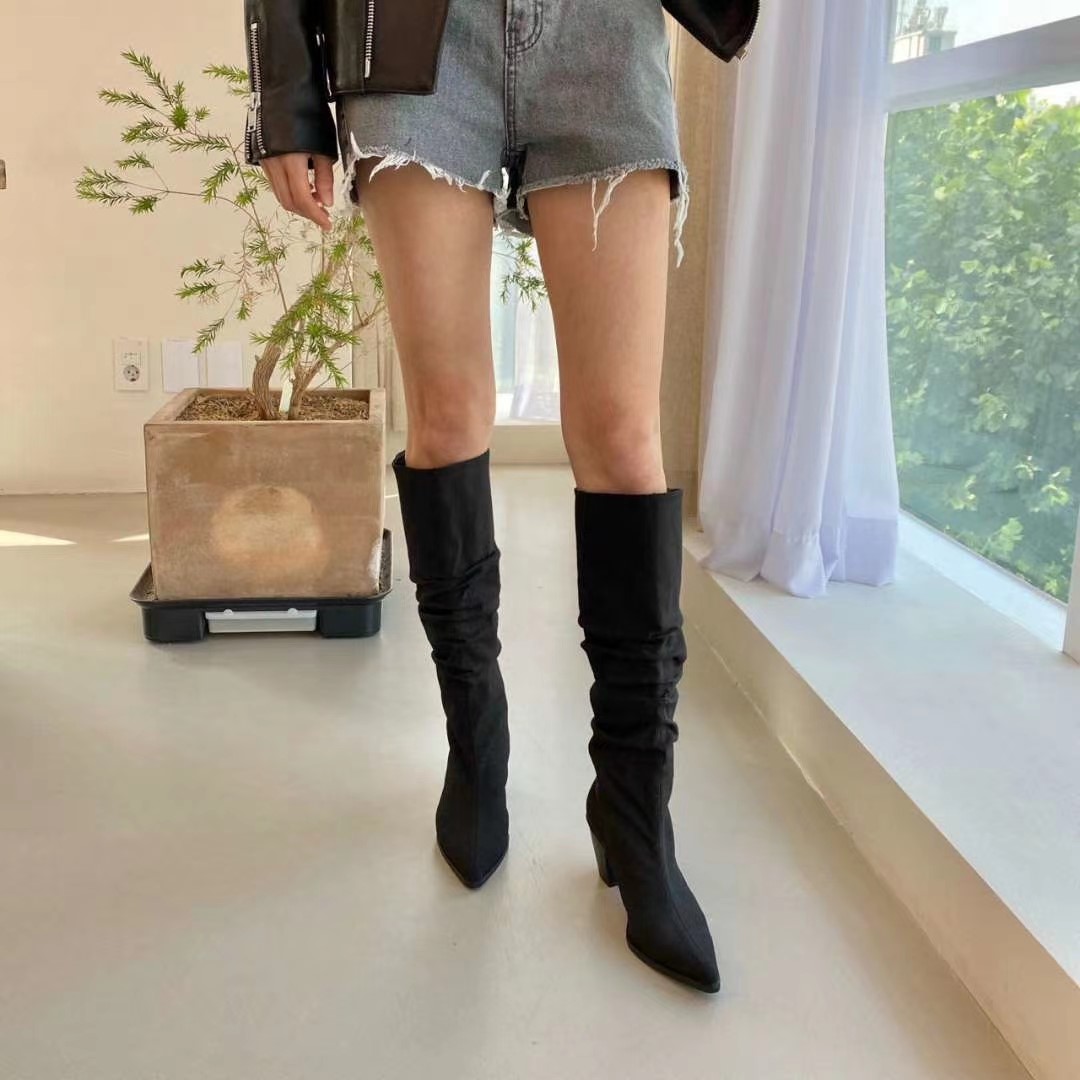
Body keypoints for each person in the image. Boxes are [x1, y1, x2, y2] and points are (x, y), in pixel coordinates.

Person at [247, 0, 719, 993]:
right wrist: (287, 101)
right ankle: (476, 742)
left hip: (602, 29)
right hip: (415, 41)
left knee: (623, 435)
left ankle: (635, 809)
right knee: (449, 414)